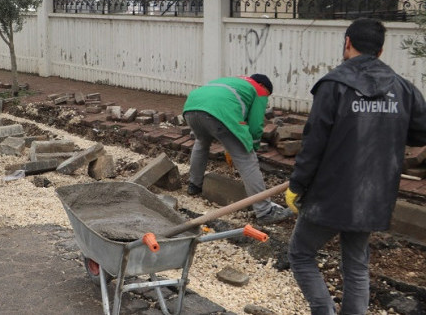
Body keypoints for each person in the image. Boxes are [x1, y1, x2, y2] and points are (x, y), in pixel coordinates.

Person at [286, 18, 426, 314]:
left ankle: (323, 310)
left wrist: (297, 185)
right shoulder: (403, 88)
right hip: (373, 196)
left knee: (301, 253)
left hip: (331, 193)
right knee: (357, 263)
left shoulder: (334, 85)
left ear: (347, 42)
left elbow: (314, 143)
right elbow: (420, 133)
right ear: (381, 50)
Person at [182, 73, 293, 224]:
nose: (266, 99)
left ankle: (194, 185)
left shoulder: (234, 81)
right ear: (263, 87)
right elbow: (255, 124)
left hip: (191, 107)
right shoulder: (259, 90)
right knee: (248, 160)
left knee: (201, 143)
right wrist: (251, 146)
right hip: (217, 113)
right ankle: (265, 211)